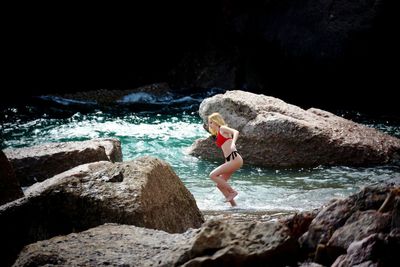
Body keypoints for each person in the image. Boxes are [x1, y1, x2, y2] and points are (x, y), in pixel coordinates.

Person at [207, 112, 243, 206]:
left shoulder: (222, 128)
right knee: (220, 185)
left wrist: (233, 143)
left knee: (212, 175)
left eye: (211, 122)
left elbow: (236, 132)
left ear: (216, 121)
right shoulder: (218, 133)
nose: (209, 124)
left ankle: (232, 192)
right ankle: (234, 206)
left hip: (235, 159)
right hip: (230, 160)